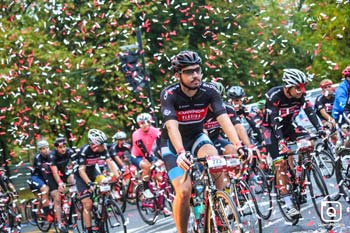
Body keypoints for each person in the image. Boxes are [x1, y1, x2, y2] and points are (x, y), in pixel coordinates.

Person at [160, 50, 245, 233]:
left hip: (198, 136)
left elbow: (224, 119)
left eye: (197, 70)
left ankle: (219, 212)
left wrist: (238, 145)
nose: (195, 75)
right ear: (178, 75)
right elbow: (172, 127)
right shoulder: (170, 94)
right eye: (189, 72)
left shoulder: (210, 91)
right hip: (173, 144)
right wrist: (181, 152)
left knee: (215, 159)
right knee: (183, 191)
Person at [262, 68, 324, 218]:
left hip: (289, 126)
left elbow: (309, 111)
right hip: (271, 129)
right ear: (287, 87)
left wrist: (320, 128)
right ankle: (288, 203)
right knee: (280, 164)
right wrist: (282, 142)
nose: (302, 91)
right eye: (298, 88)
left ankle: (300, 173)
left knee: (308, 140)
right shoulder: (274, 95)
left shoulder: (299, 96)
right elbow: (275, 120)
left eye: (304, 87)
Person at [74, 129, 120, 233]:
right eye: (101, 144)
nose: (104, 146)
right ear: (94, 145)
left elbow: (110, 162)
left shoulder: (103, 149)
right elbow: (81, 170)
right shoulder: (84, 151)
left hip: (93, 172)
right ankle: (89, 229)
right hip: (81, 176)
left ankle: (101, 209)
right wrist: (89, 183)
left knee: (104, 183)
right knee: (87, 204)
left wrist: (118, 177)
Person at [204, 81, 252, 154]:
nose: (214, 103)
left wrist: (248, 147)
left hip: (216, 137)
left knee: (233, 151)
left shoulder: (228, 108)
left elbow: (238, 127)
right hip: (200, 139)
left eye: (217, 100)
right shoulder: (200, 108)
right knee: (210, 153)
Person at [30, 139, 67, 232]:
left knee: (57, 194)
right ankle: (46, 213)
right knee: (45, 189)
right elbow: (44, 172)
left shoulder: (52, 155)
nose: (45, 150)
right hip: (38, 177)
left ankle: (59, 220)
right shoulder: (38, 158)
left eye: (46, 148)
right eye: (42, 149)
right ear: (39, 150)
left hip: (48, 175)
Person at [130, 113, 161, 198]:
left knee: (161, 168)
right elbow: (144, 152)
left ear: (151, 122)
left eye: (147, 122)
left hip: (149, 154)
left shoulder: (155, 131)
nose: (145, 125)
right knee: (147, 166)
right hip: (137, 156)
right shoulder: (136, 135)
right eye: (142, 123)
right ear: (139, 124)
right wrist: (153, 161)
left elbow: (161, 145)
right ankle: (146, 189)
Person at [332, 65, 350, 147]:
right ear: (348, 78)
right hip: (341, 114)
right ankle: (343, 151)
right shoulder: (341, 88)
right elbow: (343, 105)